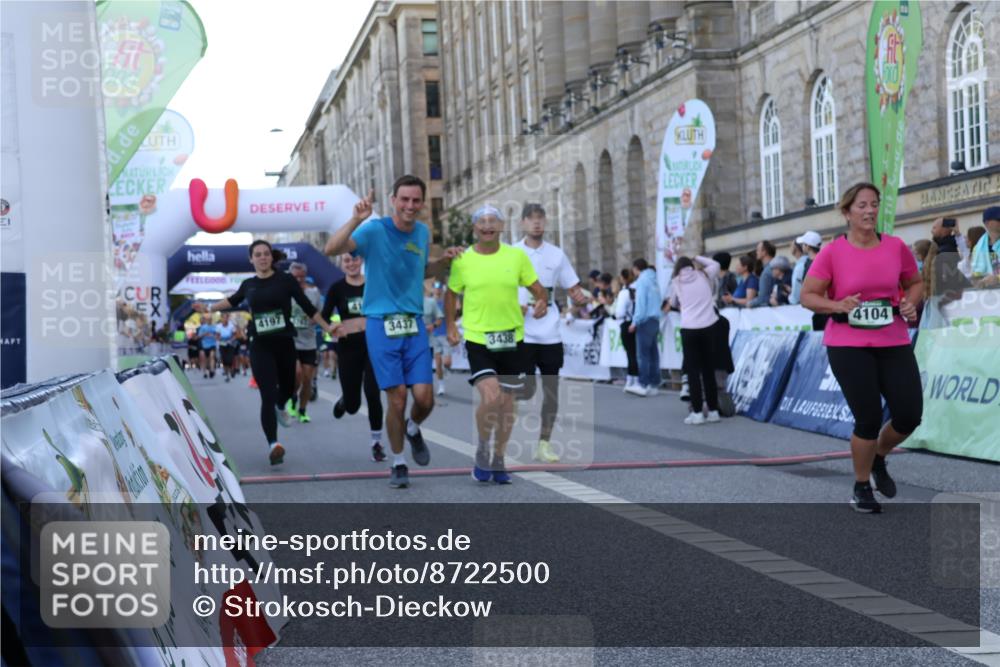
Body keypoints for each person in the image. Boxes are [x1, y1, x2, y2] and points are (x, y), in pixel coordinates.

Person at [324, 175, 460, 488]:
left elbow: (421, 269)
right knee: (397, 398)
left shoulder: (423, 233)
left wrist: (443, 261)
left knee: (425, 399)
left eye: (416, 200)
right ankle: (398, 462)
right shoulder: (374, 229)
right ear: (393, 200)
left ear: (422, 204)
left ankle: (413, 428)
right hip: (381, 323)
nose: (410, 206)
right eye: (404, 200)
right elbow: (333, 247)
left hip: (413, 323)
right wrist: (356, 218)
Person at [800, 182, 923, 514]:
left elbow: (914, 283)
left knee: (910, 415)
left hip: (893, 339)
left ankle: (879, 457)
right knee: (867, 418)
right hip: (848, 344)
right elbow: (808, 296)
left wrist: (910, 304)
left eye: (874, 204)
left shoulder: (896, 247)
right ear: (846, 212)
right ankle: (860, 485)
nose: (870, 211)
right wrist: (838, 305)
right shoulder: (832, 252)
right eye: (862, 206)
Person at [194, 240, 335, 465]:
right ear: (251, 259)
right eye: (257, 254)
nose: (262, 257)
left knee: (289, 387)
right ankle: (274, 444)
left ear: (271, 257)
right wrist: (209, 307)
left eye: (266, 254)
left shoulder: (286, 280)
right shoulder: (249, 284)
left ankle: (282, 406)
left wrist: (328, 328)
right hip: (260, 346)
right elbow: (232, 300)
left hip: (285, 343)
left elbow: (308, 308)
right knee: (267, 395)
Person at [445, 205, 547, 483]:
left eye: (493, 221)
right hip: (478, 337)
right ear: (474, 228)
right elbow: (451, 294)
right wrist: (452, 325)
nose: (487, 226)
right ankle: (482, 448)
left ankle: (499, 457)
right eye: (482, 221)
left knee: (506, 403)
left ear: (501, 227)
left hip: (512, 338)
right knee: (490, 396)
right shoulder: (463, 259)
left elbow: (537, 288)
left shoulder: (516, 257)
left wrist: (542, 301)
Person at [513, 203, 590, 463]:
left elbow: (574, 289)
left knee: (551, 390)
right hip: (522, 332)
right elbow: (500, 289)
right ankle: (503, 432)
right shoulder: (512, 253)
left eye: (540, 219)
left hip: (550, 333)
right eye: (531, 219)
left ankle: (543, 444)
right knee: (525, 388)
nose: (537, 223)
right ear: (523, 223)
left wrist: (580, 298)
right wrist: (517, 307)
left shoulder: (557, 255)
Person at [323, 253, 386, 462]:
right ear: (342, 264)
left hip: (373, 345)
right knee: (353, 406)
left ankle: (376, 442)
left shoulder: (374, 284)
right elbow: (324, 317)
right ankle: (345, 402)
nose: (351, 264)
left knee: (372, 392)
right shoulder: (337, 288)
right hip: (348, 348)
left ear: (362, 261)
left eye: (355, 259)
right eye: (347, 261)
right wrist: (332, 327)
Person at [669, 256, 722, 424]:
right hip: (709, 325)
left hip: (689, 327)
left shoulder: (676, 282)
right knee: (708, 370)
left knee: (693, 372)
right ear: (692, 265)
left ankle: (697, 412)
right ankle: (713, 411)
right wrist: (698, 257)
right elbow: (716, 264)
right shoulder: (704, 275)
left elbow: (673, 302)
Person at [284, 262, 322, 423]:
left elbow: (320, 313)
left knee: (307, 379)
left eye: (301, 277)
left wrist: (313, 319)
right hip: (291, 341)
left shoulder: (314, 292)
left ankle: (302, 409)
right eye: (295, 277)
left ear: (305, 276)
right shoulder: (284, 292)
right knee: (297, 374)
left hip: (309, 341)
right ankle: (292, 399)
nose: (298, 280)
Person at [629, 258, 661, 397]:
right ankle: (654, 384)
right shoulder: (654, 280)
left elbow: (641, 304)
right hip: (655, 319)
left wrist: (634, 322)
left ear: (636, 268)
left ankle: (643, 384)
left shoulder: (642, 281)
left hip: (645, 320)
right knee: (653, 354)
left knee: (643, 355)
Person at [615, 268, 640, 393]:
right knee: (635, 352)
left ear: (623, 278)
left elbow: (619, 312)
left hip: (626, 323)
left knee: (630, 353)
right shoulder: (637, 289)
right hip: (637, 322)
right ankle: (634, 379)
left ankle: (632, 380)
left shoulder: (624, 293)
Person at [422, 279, 446, 395]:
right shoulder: (407, 303)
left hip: (431, 339)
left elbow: (439, 318)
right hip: (415, 341)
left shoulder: (430, 302)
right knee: (424, 367)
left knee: (438, 362)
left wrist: (433, 325)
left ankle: (440, 385)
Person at [430, 281, 452, 396]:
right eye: (435, 288)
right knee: (438, 363)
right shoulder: (429, 303)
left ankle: (447, 369)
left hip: (445, 334)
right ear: (432, 290)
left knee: (447, 362)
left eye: (439, 288)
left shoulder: (445, 303)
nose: (437, 290)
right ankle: (441, 386)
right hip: (434, 336)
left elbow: (450, 317)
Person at [971, 206, 1000, 288]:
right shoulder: (978, 248)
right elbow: (976, 272)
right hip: (988, 294)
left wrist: (997, 278)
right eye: (999, 219)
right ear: (987, 223)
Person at [790, 231, 822, 305]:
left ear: (807, 246)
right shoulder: (823, 260)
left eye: (803, 244)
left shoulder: (809, 264)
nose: (802, 246)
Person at [748, 240, 777, 307]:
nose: (756, 252)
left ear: (764, 252)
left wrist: (750, 303)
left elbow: (763, 298)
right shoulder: (776, 267)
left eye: (758, 250)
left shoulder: (766, 272)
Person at [216, 312, 239, 382]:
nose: (225, 319)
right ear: (221, 318)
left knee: (230, 359)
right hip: (222, 345)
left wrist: (231, 339)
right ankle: (227, 374)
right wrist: (221, 339)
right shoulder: (218, 326)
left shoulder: (231, 326)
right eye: (223, 317)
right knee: (224, 359)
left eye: (226, 317)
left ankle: (231, 370)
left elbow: (235, 335)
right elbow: (217, 336)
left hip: (230, 344)